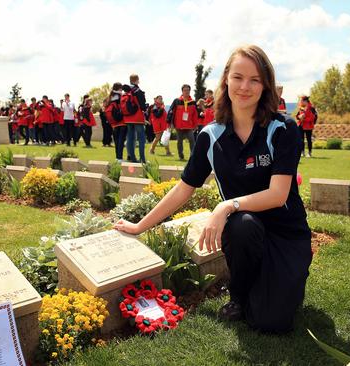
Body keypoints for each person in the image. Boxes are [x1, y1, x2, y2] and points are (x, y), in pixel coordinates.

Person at [115, 45, 311, 333]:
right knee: (242, 226)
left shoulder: (282, 128)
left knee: (272, 323)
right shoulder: (210, 135)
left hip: (286, 233)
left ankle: (283, 282)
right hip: (247, 231)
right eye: (238, 77)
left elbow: (278, 194)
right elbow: (184, 189)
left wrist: (226, 205)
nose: (245, 87)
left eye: (255, 80)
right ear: (226, 81)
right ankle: (240, 297)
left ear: (266, 85)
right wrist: (139, 226)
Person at [167, 84, 199, 160]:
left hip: (189, 126)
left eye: (188, 90)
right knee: (179, 142)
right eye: (185, 90)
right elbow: (171, 111)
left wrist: (195, 125)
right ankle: (181, 156)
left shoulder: (193, 102)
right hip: (179, 125)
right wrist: (169, 123)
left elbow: (195, 115)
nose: (186, 92)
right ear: (182, 91)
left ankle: (192, 156)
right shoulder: (177, 101)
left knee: (192, 140)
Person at [122, 77, 147, 162]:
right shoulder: (137, 90)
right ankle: (142, 159)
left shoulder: (126, 91)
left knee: (130, 138)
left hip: (128, 118)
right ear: (137, 80)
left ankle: (132, 158)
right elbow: (143, 106)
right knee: (141, 139)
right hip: (138, 118)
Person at [106, 82, 127, 161]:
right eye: (121, 88)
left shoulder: (110, 97)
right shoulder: (119, 96)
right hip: (121, 121)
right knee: (121, 141)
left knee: (117, 141)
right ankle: (120, 158)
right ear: (119, 88)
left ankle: (117, 158)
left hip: (114, 123)